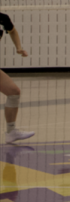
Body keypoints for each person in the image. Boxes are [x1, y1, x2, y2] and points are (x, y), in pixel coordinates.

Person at [0, 12, 34, 144]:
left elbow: (13, 31)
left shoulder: (2, 18)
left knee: (14, 92)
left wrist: (18, 48)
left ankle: (11, 131)